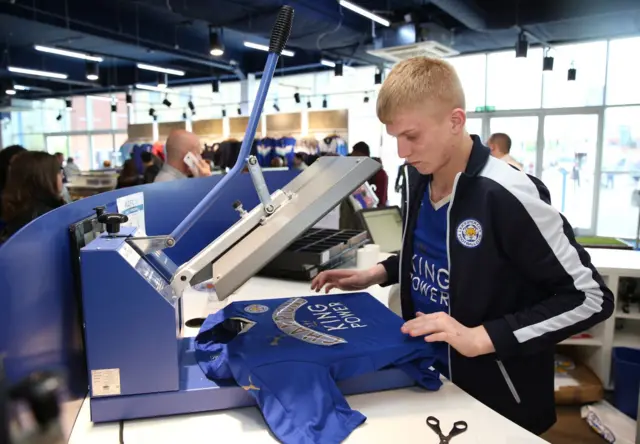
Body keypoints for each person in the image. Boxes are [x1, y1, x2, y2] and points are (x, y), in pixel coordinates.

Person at [311, 56, 613, 436]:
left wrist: (481, 337)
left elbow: (589, 298)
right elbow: (437, 250)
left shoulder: (508, 194)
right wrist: (377, 273)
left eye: (412, 136)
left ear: (455, 121)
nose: (402, 151)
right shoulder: (421, 174)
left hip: (498, 401)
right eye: (396, 139)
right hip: (429, 378)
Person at [0, 151, 65, 243]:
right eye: (59, 171)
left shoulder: (18, 210)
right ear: (45, 178)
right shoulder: (45, 218)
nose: (62, 175)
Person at [350, 142, 388, 206]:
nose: (354, 160)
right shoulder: (356, 171)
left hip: (375, 210)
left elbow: (380, 199)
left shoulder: (378, 173)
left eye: (356, 156)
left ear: (364, 156)